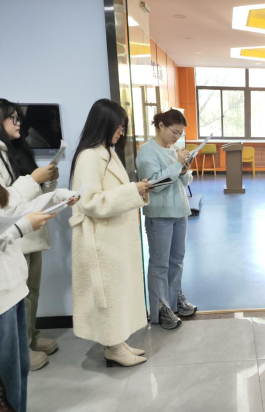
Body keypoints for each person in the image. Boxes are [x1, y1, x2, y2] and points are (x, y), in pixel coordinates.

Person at [69, 99, 151, 368]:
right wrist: (133, 190)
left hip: (114, 235)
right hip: (102, 239)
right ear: (103, 123)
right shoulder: (90, 156)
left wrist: (136, 190)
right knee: (110, 294)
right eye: (118, 126)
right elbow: (90, 202)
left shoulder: (106, 152)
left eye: (123, 127)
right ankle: (113, 347)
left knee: (118, 291)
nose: (121, 131)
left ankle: (117, 342)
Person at [0, 183, 78, 412]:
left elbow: (16, 207)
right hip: (2, 299)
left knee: (18, 370)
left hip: (13, 290)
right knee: (7, 378)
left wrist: (56, 198)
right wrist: (21, 228)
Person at [0, 98, 62, 371]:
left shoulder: (15, 149)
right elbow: (7, 203)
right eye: (12, 118)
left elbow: (27, 192)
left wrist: (47, 181)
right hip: (13, 236)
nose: (18, 123)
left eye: (19, 118)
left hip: (30, 232)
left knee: (32, 291)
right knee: (20, 295)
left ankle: (31, 336)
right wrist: (34, 179)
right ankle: (21, 347)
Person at [136, 109, 197, 330]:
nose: (177, 137)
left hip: (179, 211)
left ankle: (174, 299)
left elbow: (184, 182)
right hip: (160, 214)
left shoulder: (173, 150)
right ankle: (160, 309)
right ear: (161, 125)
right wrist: (176, 165)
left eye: (180, 134)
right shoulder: (146, 151)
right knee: (159, 264)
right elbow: (154, 185)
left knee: (177, 260)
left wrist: (184, 170)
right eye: (174, 132)